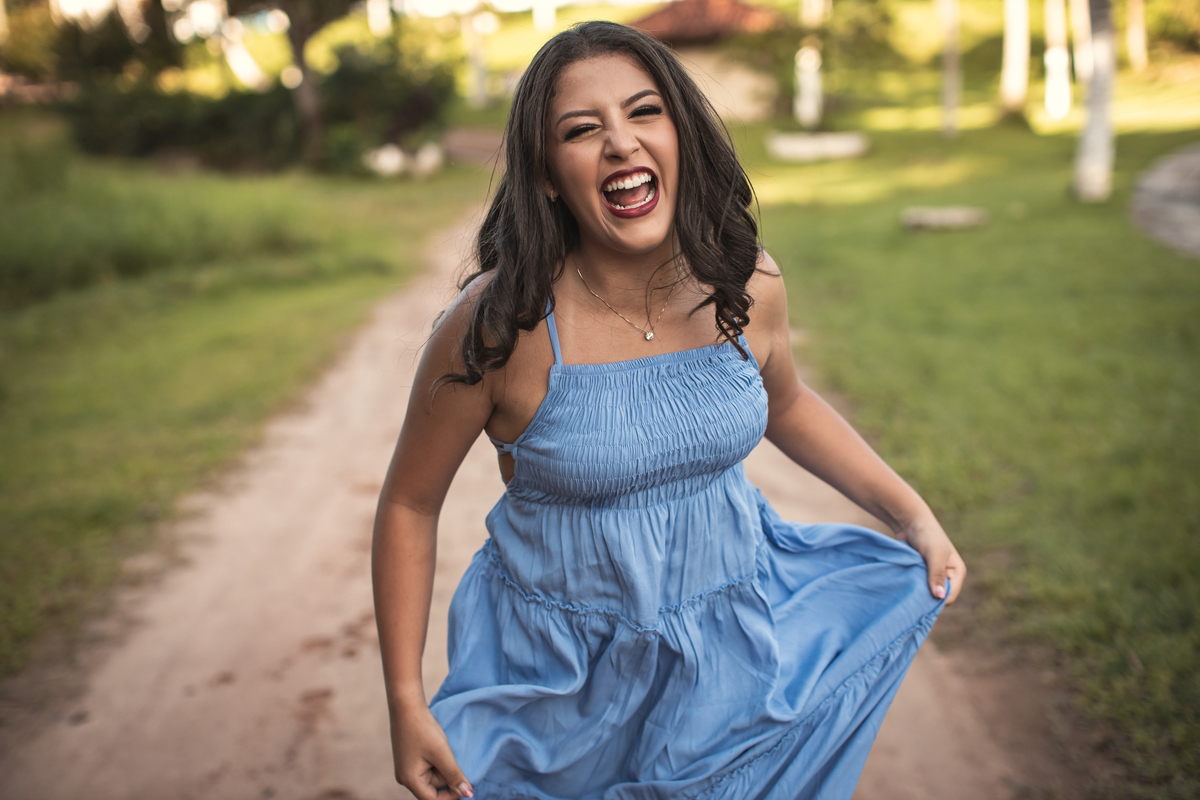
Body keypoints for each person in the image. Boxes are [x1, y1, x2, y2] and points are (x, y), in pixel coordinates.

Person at [372, 20, 966, 800]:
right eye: (582, 130)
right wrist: (406, 703)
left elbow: (784, 402)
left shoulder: (743, 283)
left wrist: (912, 515)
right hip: (558, 687)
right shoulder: (500, 327)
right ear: (548, 175)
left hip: (730, 657)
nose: (620, 143)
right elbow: (411, 505)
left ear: (680, 134)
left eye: (643, 112)